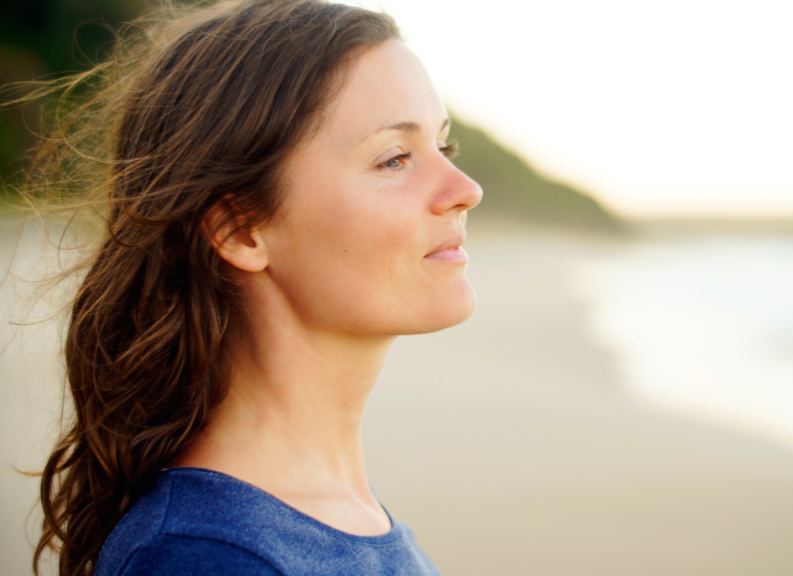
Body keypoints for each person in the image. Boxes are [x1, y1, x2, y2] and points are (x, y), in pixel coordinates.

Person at [29, 1, 482, 575]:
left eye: (444, 148)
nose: (465, 189)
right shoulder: (206, 556)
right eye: (395, 159)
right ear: (240, 229)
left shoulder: (337, 520)